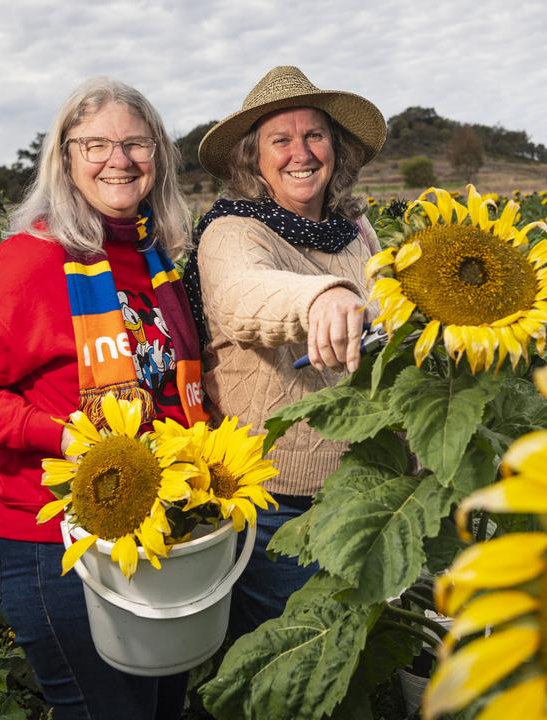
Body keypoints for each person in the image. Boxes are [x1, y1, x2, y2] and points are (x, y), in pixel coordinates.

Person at [0, 77, 207, 720]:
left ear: (159, 156)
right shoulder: (29, 264)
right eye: (95, 144)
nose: (119, 160)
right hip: (59, 552)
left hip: (155, 536)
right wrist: (67, 436)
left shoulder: (154, 262)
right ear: (64, 157)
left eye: (137, 143)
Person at [182, 65, 386, 636]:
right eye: (281, 139)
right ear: (254, 158)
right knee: (295, 644)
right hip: (277, 494)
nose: (301, 152)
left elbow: (383, 308)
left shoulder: (354, 229)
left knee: (360, 637)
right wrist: (322, 299)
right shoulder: (233, 230)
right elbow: (240, 294)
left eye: (314, 135)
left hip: (361, 475)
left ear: (336, 149)